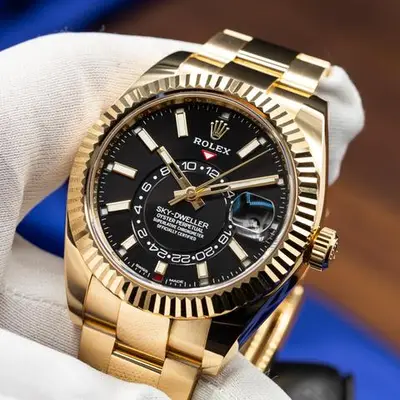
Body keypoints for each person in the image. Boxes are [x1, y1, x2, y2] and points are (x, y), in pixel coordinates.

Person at [0, 32, 364, 400]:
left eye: (195, 195)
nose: (192, 195)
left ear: (311, 244)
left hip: (198, 312)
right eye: (190, 192)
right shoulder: (141, 118)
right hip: (107, 274)